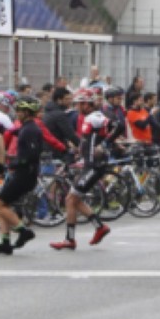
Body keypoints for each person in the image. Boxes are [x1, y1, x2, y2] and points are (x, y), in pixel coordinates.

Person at [50, 108, 119, 252]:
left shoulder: (97, 116)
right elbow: (86, 140)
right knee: (75, 199)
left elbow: (119, 126)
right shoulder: (86, 118)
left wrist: (106, 143)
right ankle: (100, 227)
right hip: (90, 165)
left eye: (82, 103)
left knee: (70, 199)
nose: (79, 105)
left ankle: (70, 239)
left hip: (94, 167)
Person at [0, 97, 43, 256]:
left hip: (25, 175)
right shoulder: (26, 128)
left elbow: (31, 155)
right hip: (22, 173)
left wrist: (13, 162)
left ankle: (24, 231)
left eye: (19, 111)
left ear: (27, 112)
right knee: (4, 206)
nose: (16, 113)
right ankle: (5, 243)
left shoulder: (30, 129)